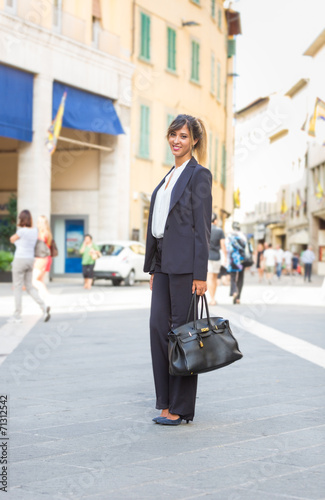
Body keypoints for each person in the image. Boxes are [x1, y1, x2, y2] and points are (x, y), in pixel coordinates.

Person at [143, 114, 212, 426]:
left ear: (194, 140)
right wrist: (154, 269)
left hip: (186, 268)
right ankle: (165, 401)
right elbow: (160, 227)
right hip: (163, 265)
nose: (176, 140)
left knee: (182, 335)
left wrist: (201, 274)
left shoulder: (199, 175)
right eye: (173, 134)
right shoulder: (168, 176)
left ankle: (181, 408)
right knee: (158, 328)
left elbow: (202, 228)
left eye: (183, 136)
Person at [8, 210, 50, 323]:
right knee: (29, 287)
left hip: (19, 260)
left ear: (21, 219)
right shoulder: (34, 231)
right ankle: (43, 306)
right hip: (30, 260)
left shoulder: (21, 231)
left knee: (17, 287)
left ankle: (17, 315)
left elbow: (11, 239)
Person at [207, 213, 226, 305]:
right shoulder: (219, 231)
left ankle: (212, 299)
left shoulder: (205, 229)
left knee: (209, 278)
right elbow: (223, 245)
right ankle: (213, 297)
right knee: (214, 278)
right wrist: (225, 257)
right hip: (217, 257)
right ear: (215, 220)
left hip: (207, 256)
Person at [32, 215, 52, 306]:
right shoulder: (48, 233)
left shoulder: (41, 233)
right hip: (47, 258)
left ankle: (47, 297)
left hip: (41, 258)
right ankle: (43, 302)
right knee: (40, 280)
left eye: (39, 221)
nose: (38, 223)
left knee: (34, 280)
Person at [226, 221, 246, 304]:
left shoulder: (229, 235)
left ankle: (234, 291)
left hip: (232, 259)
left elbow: (227, 248)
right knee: (241, 277)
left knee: (233, 277)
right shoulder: (242, 235)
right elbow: (245, 247)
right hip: (241, 259)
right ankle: (238, 298)